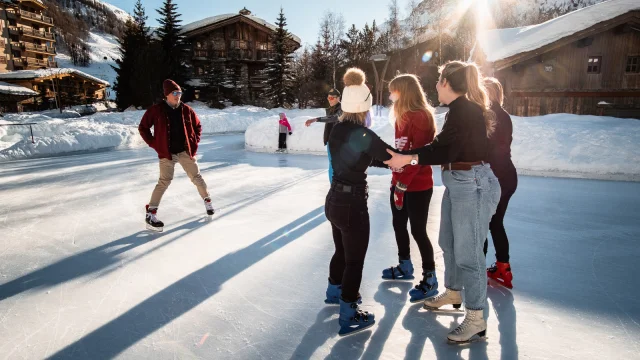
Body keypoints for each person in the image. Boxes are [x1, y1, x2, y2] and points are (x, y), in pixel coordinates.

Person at [384, 61, 501, 344]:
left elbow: (445, 149)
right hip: (458, 181)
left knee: (469, 253)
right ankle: (454, 291)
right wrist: (407, 156)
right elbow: (441, 148)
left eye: (438, 81)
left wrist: (408, 157)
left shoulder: (466, 110)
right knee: (447, 242)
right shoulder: (458, 111)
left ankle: (476, 319)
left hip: (472, 183)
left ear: (447, 83)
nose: (435, 86)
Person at [324, 68, 393, 337]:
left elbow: (358, 157)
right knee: (355, 260)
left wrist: (383, 163)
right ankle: (349, 313)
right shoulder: (365, 135)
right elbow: (390, 155)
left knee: (341, 252)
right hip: (352, 204)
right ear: (366, 108)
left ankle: (334, 291)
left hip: (333, 200)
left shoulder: (338, 129)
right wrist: (412, 159)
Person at [380, 74, 440, 304]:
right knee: (398, 224)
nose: (391, 95)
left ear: (404, 92)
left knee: (418, 230)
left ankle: (430, 277)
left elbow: (421, 156)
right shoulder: (401, 117)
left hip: (418, 185)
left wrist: (404, 183)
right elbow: (401, 151)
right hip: (399, 182)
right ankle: (405, 265)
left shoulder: (421, 117)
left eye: (394, 91)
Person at [138, 79, 215, 232]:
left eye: (179, 92)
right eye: (174, 93)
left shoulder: (186, 110)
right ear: (167, 94)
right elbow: (143, 128)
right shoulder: (156, 110)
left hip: (185, 151)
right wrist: (155, 144)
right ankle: (151, 213)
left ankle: (207, 201)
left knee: (197, 177)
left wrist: (194, 142)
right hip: (167, 153)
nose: (178, 95)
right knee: (164, 181)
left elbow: (198, 126)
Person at [483, 77, 517, 289]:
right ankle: (503, 267)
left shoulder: (488, 115)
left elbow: (490, 148)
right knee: (495, 222)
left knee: (483, 222)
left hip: (495, 177)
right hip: (508, 176)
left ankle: (478, 267)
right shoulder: (504, 115)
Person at [304, 89, 342, 181]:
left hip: (339, 141)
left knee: (337, 165)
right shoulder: (329, 109)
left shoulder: (342, 108)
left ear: (338, 98)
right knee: (332, 165)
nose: (329, 99)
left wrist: (316, 119)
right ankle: (333, 186)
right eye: (328, 97)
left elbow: (334, 118)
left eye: (332, 98)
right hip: (330, 140)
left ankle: (337, 187)